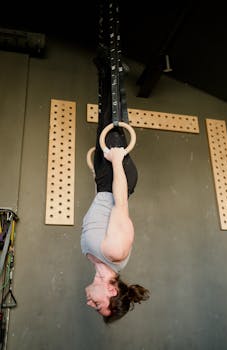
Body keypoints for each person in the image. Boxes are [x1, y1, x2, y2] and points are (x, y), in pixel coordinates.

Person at [81, 55, 149, 323]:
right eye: (98, 305)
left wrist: (99, 181)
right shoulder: (115, 252)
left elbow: (102, 212)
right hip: (115, 178)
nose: (90, 304)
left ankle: (104, 70)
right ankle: (117, 71)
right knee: (114, 119)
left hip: (105, 182)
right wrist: (118, 162)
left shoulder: (98, 261)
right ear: (111, 290)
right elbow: (120, 203)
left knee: (104, 119)